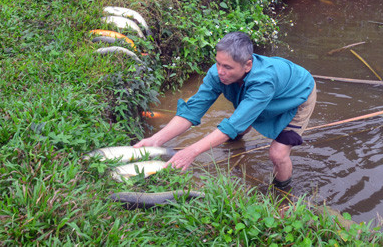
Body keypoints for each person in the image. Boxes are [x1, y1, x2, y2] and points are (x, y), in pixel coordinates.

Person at [134, 31, 317, 190]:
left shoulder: (263, 82)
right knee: (238, 127)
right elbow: (191, 111)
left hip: (297, 97)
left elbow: (234, 123)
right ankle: (236, 145)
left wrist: (191, 151)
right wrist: (155, 140)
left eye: (227, 67)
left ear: (247, 65)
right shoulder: (218, 74)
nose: (220, 72)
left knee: (277, 153)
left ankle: (282, 192)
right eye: (218, 63)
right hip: (261, 95)